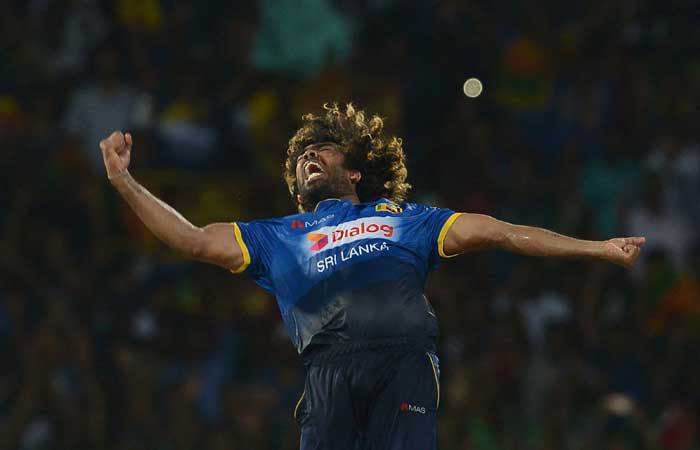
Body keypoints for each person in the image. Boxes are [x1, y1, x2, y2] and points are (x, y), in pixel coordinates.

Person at [100, 103, 645, 450]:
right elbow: (191, 239)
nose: (309, 153)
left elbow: (501, 231)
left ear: (356, 171)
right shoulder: (273, 234)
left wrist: (597, 247)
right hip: (326, 375)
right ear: (296, 188)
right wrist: (125, 182)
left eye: (323, 148)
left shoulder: (408, 220)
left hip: (402, 364)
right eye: (301, 155)